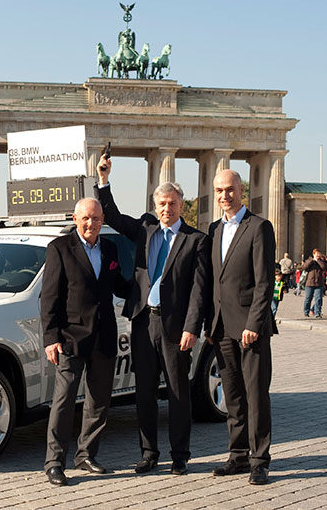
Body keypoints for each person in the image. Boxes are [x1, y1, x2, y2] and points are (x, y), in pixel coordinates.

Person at [96, 156, 210, 476]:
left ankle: (180, 455)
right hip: (143, 321)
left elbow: (200, 290)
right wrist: (104, 181)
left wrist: (193, 327)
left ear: (181, 205)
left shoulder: (195, 241)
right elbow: (114, 217)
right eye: (161, 203)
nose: (166, 209)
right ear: (155, 205)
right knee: (144, 393)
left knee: (177, 393)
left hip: (176, 328)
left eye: (172, 203)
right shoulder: (145, 229)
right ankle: (148, 454)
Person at [40, 198, 127, 486]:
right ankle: (54, 462)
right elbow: (50, 297)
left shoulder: (110, 248)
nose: (91, 224)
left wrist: (153, 281)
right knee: (63, 402)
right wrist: (51, 338)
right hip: (70, 338)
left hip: (104, 337)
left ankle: (86, 454)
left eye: (97, 219)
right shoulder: (60, 248)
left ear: (103, 220)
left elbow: (121, 285)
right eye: (86, 218)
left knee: (99, 401)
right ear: (76, 219)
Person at [206, 169, 275, 486]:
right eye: (219, 190)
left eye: (230, 189)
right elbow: (214, 282)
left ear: (241, 190)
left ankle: (260, 460)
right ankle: (237, 455)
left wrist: (254, 323)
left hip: (250, 328)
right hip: (221, 329)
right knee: (232, 396)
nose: (224, 195)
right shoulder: (215, 229)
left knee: (255, 394)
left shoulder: (259, 227)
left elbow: (264, 283)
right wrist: (208, 323)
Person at [301, 249, 327, 318]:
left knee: (318, 299)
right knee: (308, 298)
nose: (318, 255)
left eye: (319, 254)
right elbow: (304, 267)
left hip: (319, 283)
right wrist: (311, 261)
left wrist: (318, 261)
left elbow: (324, 267)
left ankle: (317, 313)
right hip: (309, 283)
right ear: (313, 254)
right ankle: (306, 312)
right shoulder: (309, 260)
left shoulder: (322, 261)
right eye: (317, 254)